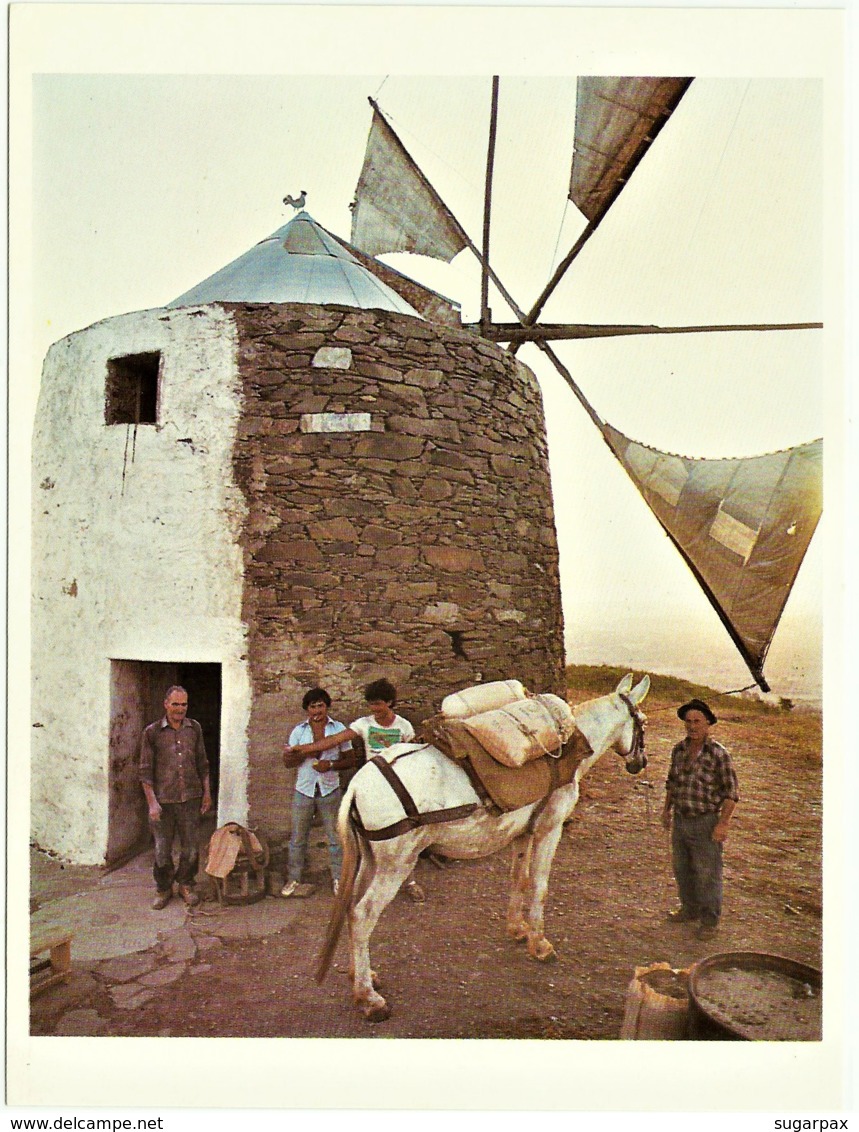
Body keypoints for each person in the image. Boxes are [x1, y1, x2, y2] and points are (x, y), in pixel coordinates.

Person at [284, 678, 426, 902]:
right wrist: (305, 749)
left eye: (378, 704)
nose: (374, 709)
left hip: (399, 788)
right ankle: (371, 879)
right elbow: (334, 741)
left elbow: (414, 755)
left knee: (405, 833)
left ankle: (410, 881)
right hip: (374, 788)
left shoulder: (404, 726)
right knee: (370, 833)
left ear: (390, 702)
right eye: (371, 704)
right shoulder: (364, 724)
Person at [661, 697, 739, 940]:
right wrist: (666, 810)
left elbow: (731, 794)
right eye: (688, 721)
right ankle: (689, 909)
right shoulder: (679, 750)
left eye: (697, 721)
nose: (692, 726)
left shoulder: (718, 754)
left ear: (708, 723)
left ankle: (709, 920)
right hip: (681, 820)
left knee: (707, 873)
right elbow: (672, 783)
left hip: (706, 822)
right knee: (682, 868)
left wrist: (722, 824)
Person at [140, 685, 212, 910]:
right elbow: (144, 770)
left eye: (184, 704)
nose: (180, 709)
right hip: (163, 801)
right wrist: (152, 802)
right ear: (166, 704)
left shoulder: (194, 729)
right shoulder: (151, 733)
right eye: (175, 704)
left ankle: (186, 884)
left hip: (190, 798)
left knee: (191, 847)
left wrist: (207, 794)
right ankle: (163, 889)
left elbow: (202, 763)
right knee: (162, 849)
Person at [281, 687, 356, 898]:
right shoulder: (299, 731)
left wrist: (330, 764)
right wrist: (304, 753)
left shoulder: (338, 729)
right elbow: (287, 763)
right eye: (312, 706)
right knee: (297, 838)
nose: (317, 710)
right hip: (304, 790)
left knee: (335, 837)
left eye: (320, 705)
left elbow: (351, 760)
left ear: (326, 707)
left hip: (330, 789)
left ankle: (339, 879)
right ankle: (294, 879)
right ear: (307, 709)